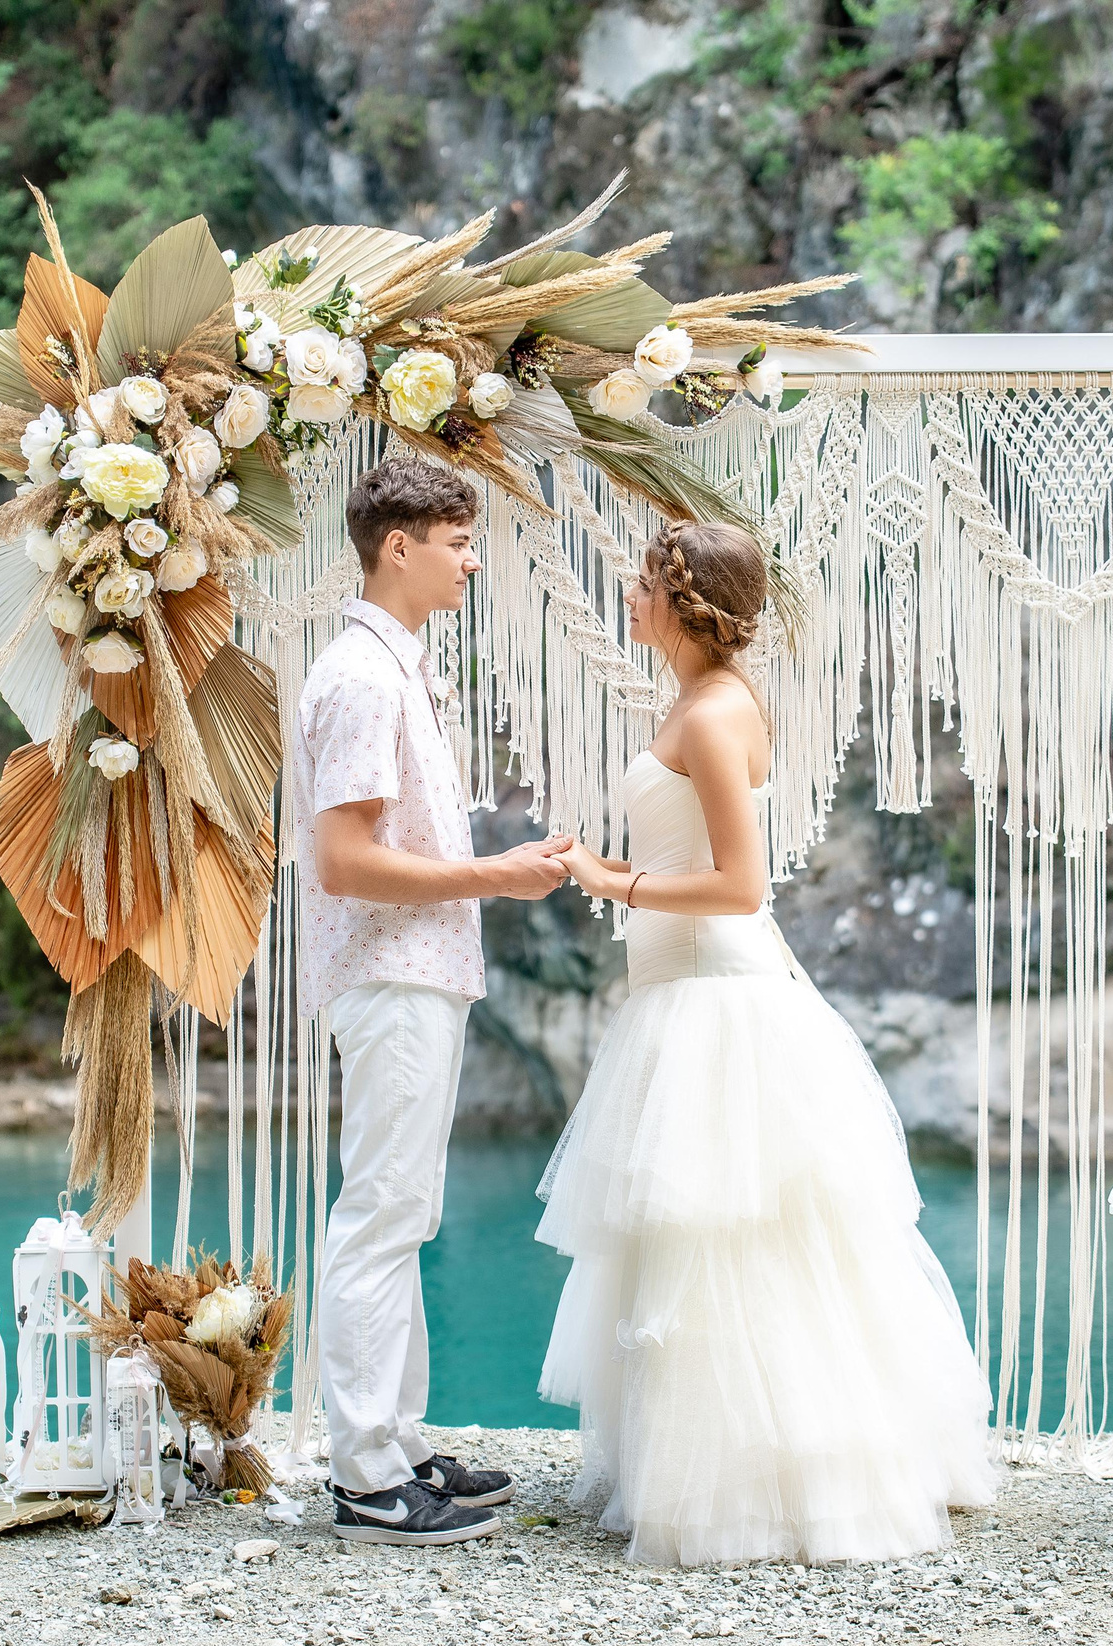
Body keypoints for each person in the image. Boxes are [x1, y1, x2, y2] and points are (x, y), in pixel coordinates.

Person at [537, 521, 998, 1565]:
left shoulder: (710, 712)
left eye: (647, 584)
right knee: (700, 1241)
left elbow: (742, 884)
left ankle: (754, 1488)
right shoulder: (702, 700)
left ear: (690, 602)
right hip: (683, 982)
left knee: (730, 1237)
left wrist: (612, 879)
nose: (632, 597)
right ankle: (718, 1464)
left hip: (713, 990)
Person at [296, 460, 573, 1546]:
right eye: (458, 541)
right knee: (380, 1212)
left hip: (416, 971)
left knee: (403, 1210)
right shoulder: (362, 676)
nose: (471, 558)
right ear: (398, 545)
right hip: (391, 969)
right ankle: (366, 1474)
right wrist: (494, 876)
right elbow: (346, 860)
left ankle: (398, 1441)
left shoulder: (393, 666)